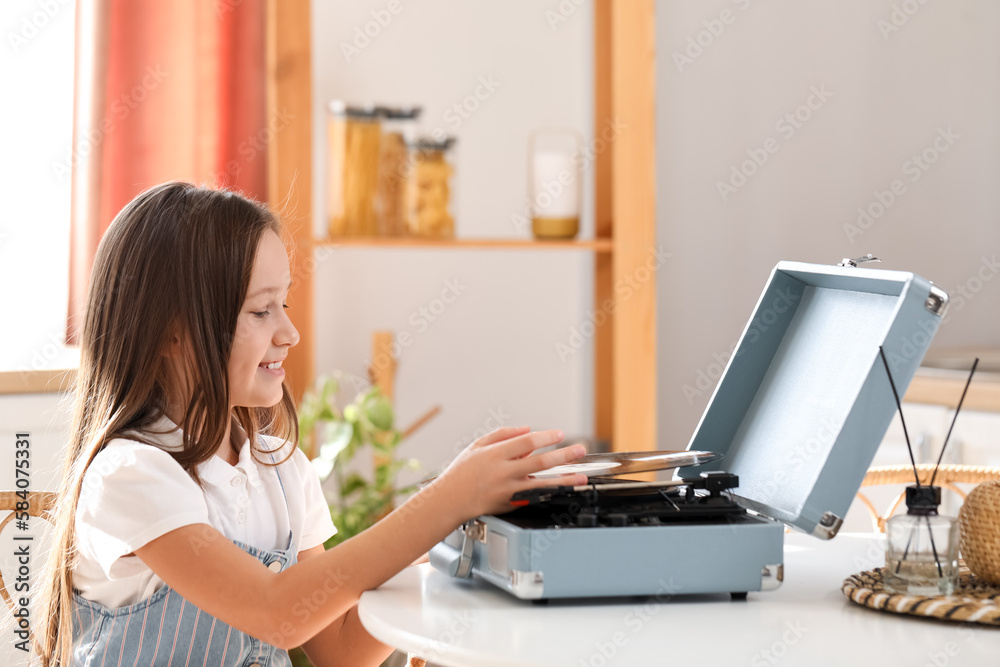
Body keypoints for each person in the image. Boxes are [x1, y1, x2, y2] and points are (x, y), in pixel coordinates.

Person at [33, 182, 588, 666]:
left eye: (286, 305)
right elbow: (279, 612)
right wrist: (447, 500)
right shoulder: (132, 476)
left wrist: (451, 541)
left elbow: (341, 651)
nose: (289, 334)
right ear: (172, 333)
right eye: (260, 310)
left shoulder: (281, 470)